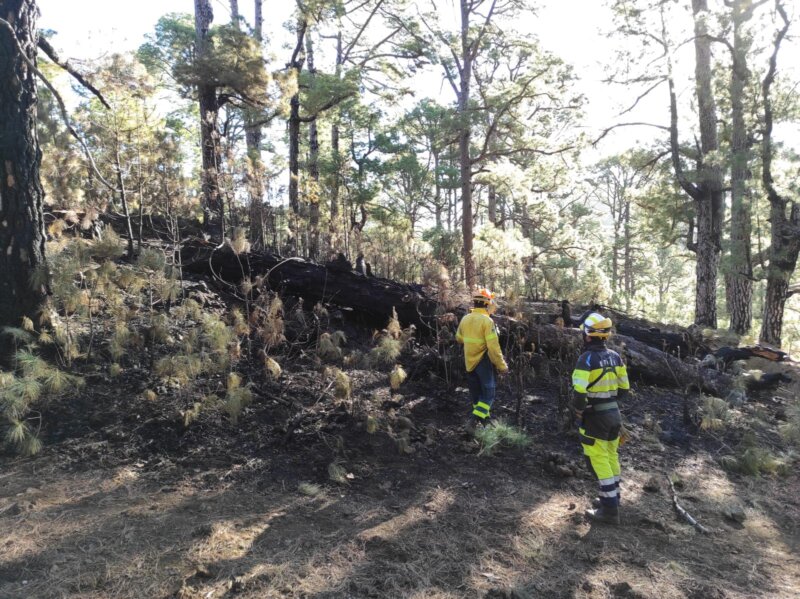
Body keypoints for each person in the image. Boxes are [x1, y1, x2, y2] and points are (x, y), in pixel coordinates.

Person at [572, 311, 630, 525]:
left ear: (587, 335)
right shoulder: (615, 357)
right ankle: (612, 498)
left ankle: (609, 510)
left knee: (599, 459)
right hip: (614, 415)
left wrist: (579, 410)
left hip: (595, 417)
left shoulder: (585, 359)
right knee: (611, 455)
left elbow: (579, 392)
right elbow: (624, 389)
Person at [456, 288, 509, 432]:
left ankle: (484, 422)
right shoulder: (487, 321)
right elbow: (493, 348)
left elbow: (459, 338)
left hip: (469, 361)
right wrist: (502, 366)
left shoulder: (465, 318)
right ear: (487, 304)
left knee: (477, 394)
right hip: (483, 361)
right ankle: (473, 422)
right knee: (488, 393)